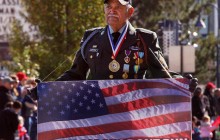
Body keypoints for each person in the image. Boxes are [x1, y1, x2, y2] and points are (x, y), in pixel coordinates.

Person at [30, 0, 197, 100]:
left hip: (131, 110)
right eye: (108, 6)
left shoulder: (144, 39)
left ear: (129, 11)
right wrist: (46, 90)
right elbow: (75, 74)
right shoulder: (91, 37)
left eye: (118, 6)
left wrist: (182, 83)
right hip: (97, 109)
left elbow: (160, 73)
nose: (112, 10)